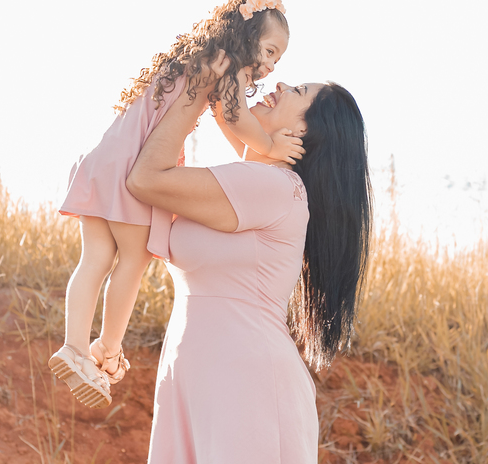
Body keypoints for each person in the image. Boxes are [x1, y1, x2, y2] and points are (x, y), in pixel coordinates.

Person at [49, 0, 305, 408]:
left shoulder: (201, 55)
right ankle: (108, 351)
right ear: (249, 37)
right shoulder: (228, 66)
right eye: (271, 51)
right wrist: (271, 146)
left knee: (94, 258)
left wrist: (250, 151)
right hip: (135, 164)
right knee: (132, 260)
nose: (273, 66)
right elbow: (237, 119)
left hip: (106, 156)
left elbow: (226, 118)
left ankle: (73, 347)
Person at [126, 77, 372, 463]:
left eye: (297, 92)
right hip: (195, 374)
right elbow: (227, 111)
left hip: (246, 384)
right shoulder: (252, 180)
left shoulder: (272, 186)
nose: (282, 82)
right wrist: (216, 72)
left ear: (303, 131)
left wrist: (196, 87)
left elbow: (144, 180)